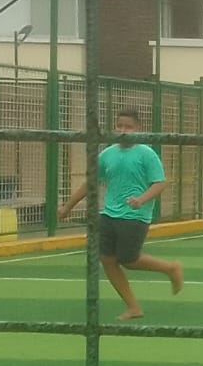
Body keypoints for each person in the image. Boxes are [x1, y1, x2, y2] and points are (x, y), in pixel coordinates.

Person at [56, 109, 184, 321]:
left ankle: (171, 268)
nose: (123, 130)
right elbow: (91, 182)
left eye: (129, 127)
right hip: (109, 214)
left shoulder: (146, 153)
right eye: (120, 126)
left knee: (129, 260)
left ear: (138, 129)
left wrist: (141, 199)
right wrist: (67, 206)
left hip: (135, 216)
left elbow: (160, 183)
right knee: (107, 259)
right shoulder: (107, 154)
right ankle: (133, 307)